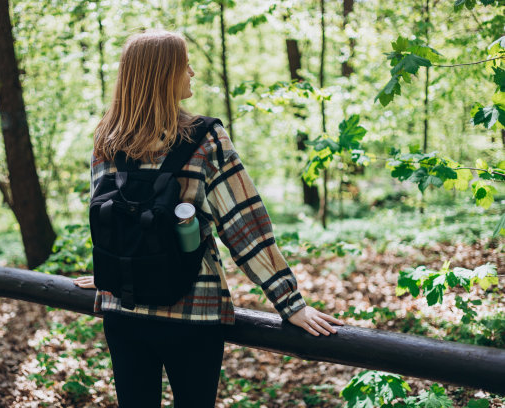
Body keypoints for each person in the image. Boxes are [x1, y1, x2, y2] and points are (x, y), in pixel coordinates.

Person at [73, 28, 345, 408]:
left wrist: (110, 274)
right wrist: (290, 302)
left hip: (123, 310)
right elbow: (245, 226)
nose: (192, 73)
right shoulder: (206, 139)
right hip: (193, 312)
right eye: (185, 66)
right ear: (164, 75)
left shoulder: (107, 139)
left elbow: (109, 216)